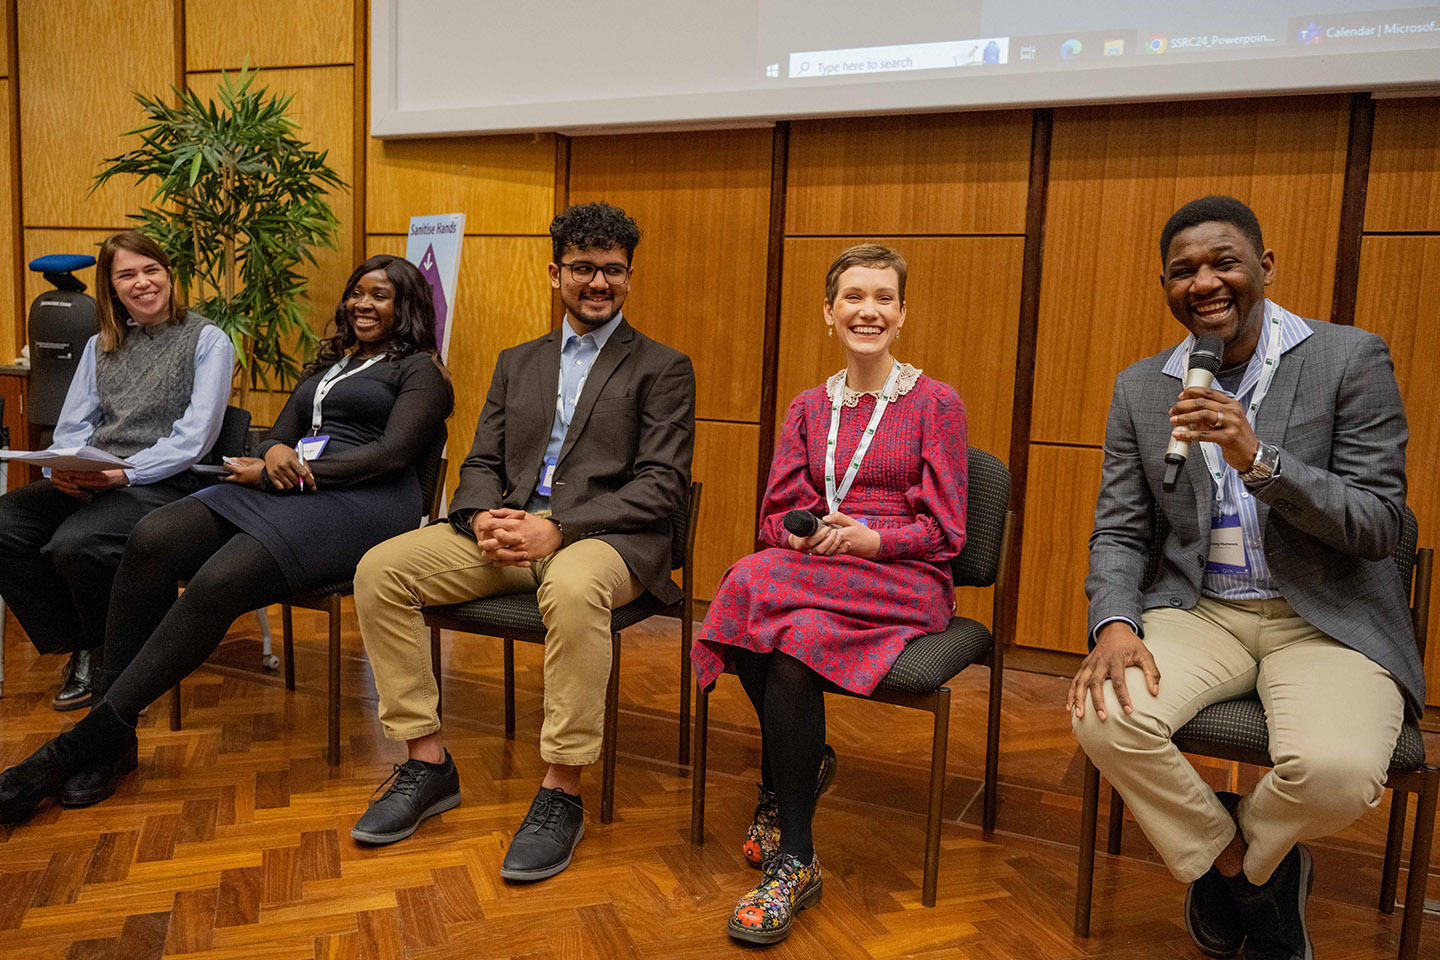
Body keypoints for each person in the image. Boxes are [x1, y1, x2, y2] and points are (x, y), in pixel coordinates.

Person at [1069, 196, 1421, 960]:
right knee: (1102, 715)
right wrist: (1117, 624)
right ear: (1164, 285)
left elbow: (1379, 524)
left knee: (1337, 772)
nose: (1205, 282)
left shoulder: (1348, 358)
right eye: (1183, 270)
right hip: (1200, 610)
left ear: (1264, 266)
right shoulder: (1143, 387)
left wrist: (1260, 460)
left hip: (1325, 616)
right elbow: (1122, 530)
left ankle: (1238, 861)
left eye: (1223, 262)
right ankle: (1248, 875)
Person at [0, 254, 453, 823]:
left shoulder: (421, 371)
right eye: (357, 293)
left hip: (363, 503)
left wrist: (285, 470)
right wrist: (275, 454)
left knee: (219, 580)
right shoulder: (332, 364)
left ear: (406, 304)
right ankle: (111, 740)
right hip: (291, 488)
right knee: (153, 535)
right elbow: (279, 435)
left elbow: (391, 456)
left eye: (380, 295)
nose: (363, 304)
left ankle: (83, 743)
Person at [347, 202, 695, 881]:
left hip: (607, 541)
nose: (599, 283)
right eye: (583, 269)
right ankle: (426, 764)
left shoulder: (662, 367)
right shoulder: (517, 361)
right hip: (508, 533)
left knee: (571, 584)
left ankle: (561, 791)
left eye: (614, 271)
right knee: (380, 569)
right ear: (554, 272)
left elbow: (663, 485)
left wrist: (559, 528)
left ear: (630, 276)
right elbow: (480, 461)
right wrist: (479, 515)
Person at [691, 244, 968, 945]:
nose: (867, 309)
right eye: (853, 296)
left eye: (883, 297)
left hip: (903, 578)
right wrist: (810, 534)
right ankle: (800, 821)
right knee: (755, 591)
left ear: (902, 314)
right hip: (820, 571)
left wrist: (871, 538)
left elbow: (948, 531)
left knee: (770, 615)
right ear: (828, 311)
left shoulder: (937, 404)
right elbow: (774, 516)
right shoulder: (810, 407)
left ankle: (789, 829)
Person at [0, 231, 233, 712]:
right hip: (97, 477)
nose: (143, 283)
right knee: (6, 524)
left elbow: (196, 436)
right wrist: (58, 469)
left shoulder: (208, 339)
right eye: (127, 275)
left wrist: (127, 474)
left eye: (152, 270)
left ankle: (118, 666)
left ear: (169, 275)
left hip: (167, 484)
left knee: (76, 543)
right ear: (111, 286)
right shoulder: (99, 344)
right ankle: (86, 643)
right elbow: (73, 424)